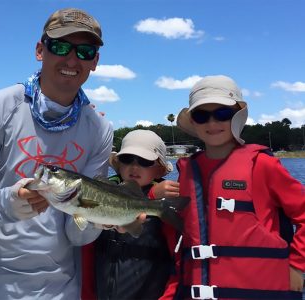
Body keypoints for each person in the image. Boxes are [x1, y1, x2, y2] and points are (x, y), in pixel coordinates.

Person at [0, 7, 114, 299]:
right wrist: (10, 203)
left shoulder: (99, 129)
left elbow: (76, 235)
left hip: (61, 290)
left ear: (95, 62)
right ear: (40, 50)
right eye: (61, 46)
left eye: (85, 51)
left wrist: (100, 218)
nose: (72, 59)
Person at [160, 75, 305, 299]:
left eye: (222, 114)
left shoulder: (263, 165)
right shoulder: (188, 172)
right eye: (201, 115)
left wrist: (297, 265)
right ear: (195, 122)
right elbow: (183, 238)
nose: (212, 123)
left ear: (236, 116)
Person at [81, 129, 180, 300]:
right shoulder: (99, 198)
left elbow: (180, 261)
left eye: (144, 161)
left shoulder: (166, 207)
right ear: (118, 165)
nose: (134, 167)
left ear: (159, 170)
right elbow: (87, 253)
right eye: (127, 159)